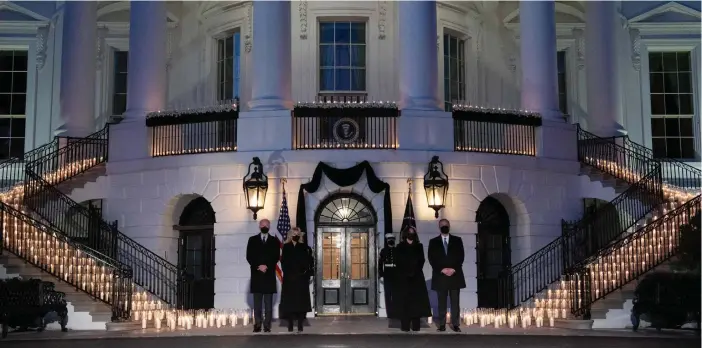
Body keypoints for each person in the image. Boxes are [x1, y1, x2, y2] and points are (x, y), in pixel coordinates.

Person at [427, 219, 465, 332]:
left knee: (455, 302)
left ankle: (456, 324)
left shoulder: (457, 240)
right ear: (439, 227)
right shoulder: (433, 242)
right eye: (442, 225)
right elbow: (431, 258)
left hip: (455, 275)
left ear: (449, 226)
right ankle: (442, 324)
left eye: (446, 225)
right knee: (441, 302)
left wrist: (453, 269)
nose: (444, 227)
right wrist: (442, 269)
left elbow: (461, 256)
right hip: (440, 276)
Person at [394, 227, 432, 332]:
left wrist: (414, 271)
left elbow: (422, 260)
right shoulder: (400, 247)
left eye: (413, 233)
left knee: (416, 302)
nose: (411, 234)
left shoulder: (419, 246)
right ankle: (405, 325)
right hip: (404, 278)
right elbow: (398, 262)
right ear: (405, 234)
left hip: (416, 278)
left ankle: (416, 326)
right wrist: (406, 272)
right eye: (409, 233)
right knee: (405, 302)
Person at [246, 218, 280, 333]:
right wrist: (258, 266)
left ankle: (267, 325)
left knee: (268, 305)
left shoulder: (274, 241)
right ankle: (257, 324)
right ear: (259, 226)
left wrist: (267, 266)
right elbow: (249, 256)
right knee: (257, 304)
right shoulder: (252, 240)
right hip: (257, 276)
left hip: (268, 276)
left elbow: (276, 256)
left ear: (269, 227)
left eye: (266, 225)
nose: (264, 226)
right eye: (262, 225)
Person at [279, 227, 314, 333]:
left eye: (298, 233)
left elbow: (309, 262)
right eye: (294, 233)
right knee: (290, 303)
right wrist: (289, 273)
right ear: (290, 235)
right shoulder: (286, 247)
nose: (296, 235)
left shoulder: (304, 247)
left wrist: (305, 273)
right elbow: (283, 262)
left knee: (301, 303)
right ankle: (290, 324)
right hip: (289, 279)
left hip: (301, 278)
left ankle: (300, 324)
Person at [379, 233, 397, 320]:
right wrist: (381, 275)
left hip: (396, 274)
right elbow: (380, 264)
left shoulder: (397, 250)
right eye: (389, 240)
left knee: (396, 294)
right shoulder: (383, 251)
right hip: (387, 274)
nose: (391, 241)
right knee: (388, 295)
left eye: (392, 240)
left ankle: (396, 312)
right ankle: (390, 313)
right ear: (387, 241)